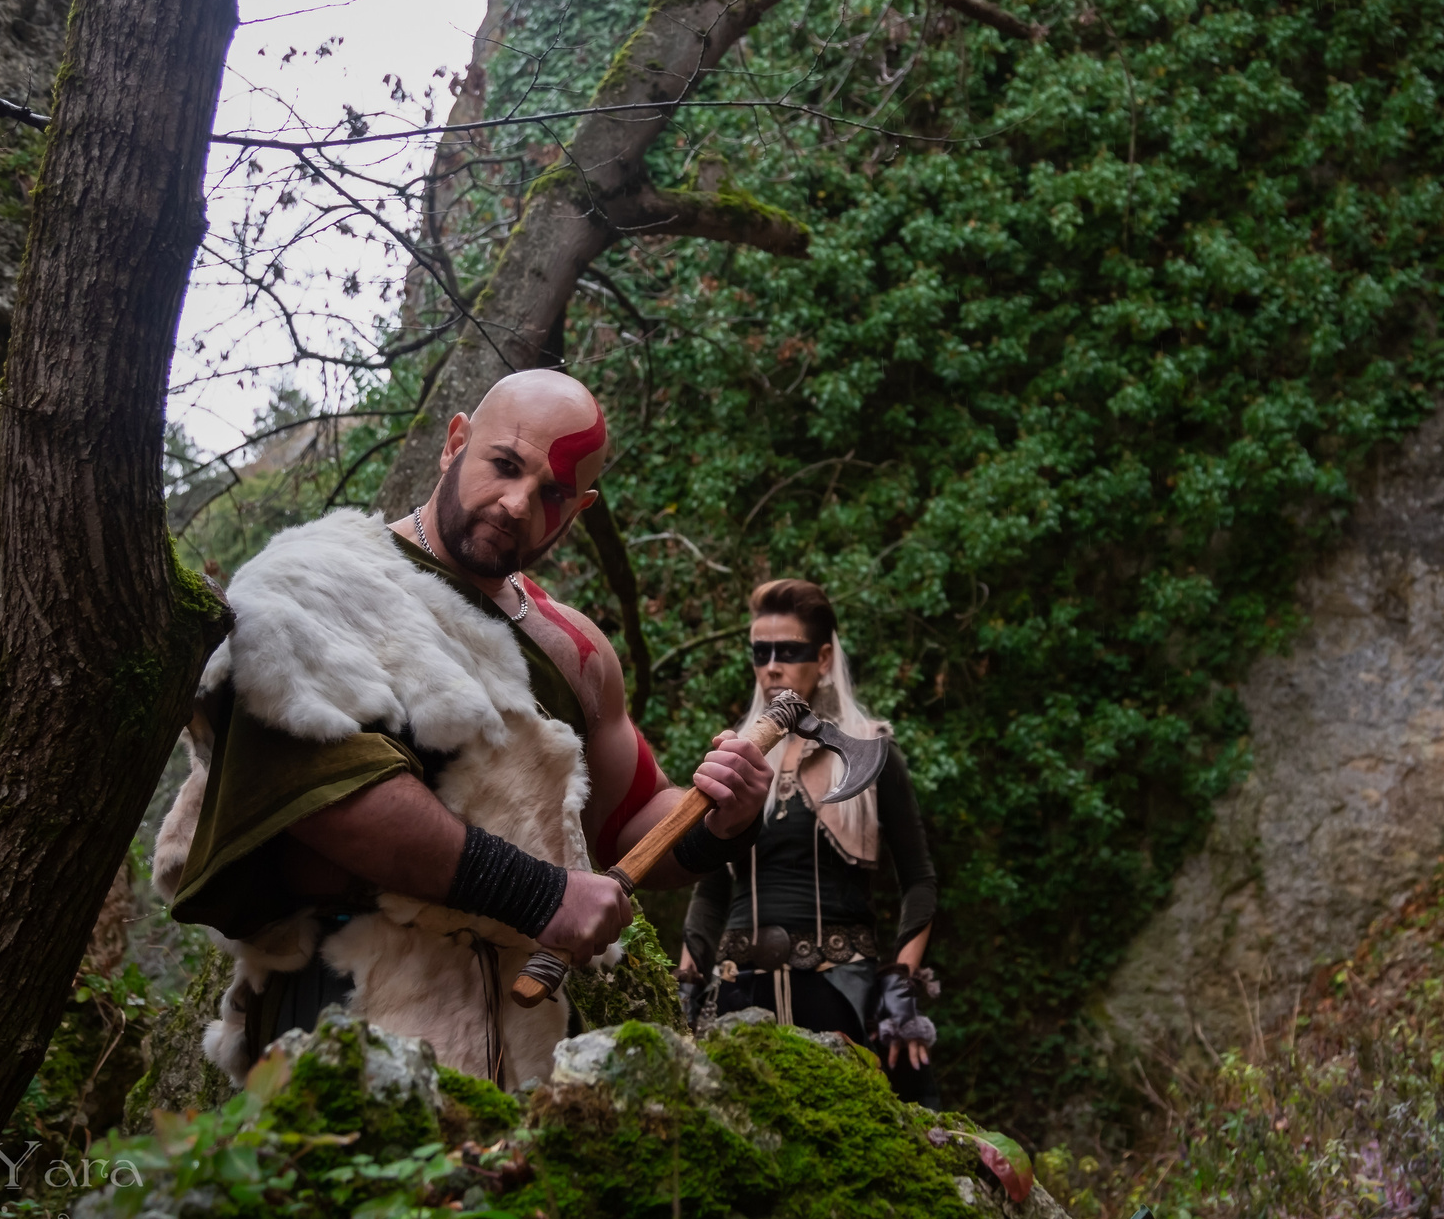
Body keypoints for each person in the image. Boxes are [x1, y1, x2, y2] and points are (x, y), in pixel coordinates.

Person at [151, 370, 772, 1089]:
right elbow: (329, 798)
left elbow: (629, 826)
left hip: (521, 1024)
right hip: (345, 991)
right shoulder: (313, 581)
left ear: (579, 510)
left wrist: (720, 819)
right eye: (504, 464)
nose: (517, 503)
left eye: (552, 494)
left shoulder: (576, 650)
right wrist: (541, 895)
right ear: (455, 443)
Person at [678, 580, 940, 1103]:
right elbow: (711, 888)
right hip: (737, 995)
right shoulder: (737, 760)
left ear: (822, 658)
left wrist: (901, 982)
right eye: (761, 652)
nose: (772, 667)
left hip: (838, 994)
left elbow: (919, 881)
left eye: (789, 652)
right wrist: (687, 980)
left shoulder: (872, 750)